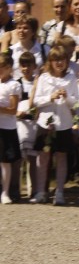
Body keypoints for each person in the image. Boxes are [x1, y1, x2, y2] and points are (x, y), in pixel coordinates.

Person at [31, 46, 79, 205]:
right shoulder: (44, 78)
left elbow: (76, 103)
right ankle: (41, 192)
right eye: (56, 60)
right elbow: (36, 101)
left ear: (67, 61)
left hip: (63, 124)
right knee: (43, 158)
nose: (59, 63)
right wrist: (50, 97)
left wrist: (67, 97)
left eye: (62, 59)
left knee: (61, 158)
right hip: (46, 124)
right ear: (50, 62)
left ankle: (59, 192)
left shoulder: (71, 78)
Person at [15, 52, 38, 199]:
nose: (26, 68)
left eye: (29, 65)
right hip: (20, 125)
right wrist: (17, 113)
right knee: (19, 160)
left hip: (34, 124)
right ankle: (16, 189)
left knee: (33, 160)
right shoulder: (17, 83)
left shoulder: (38, 82)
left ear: (34, 66)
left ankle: (33, 190)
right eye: (23, 65)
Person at [0, 52, 21, 204]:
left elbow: (13, 110)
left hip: (6, 128)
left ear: (9, 67)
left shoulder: (14, 85)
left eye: (1, 66)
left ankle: (5, 192)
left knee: (5, 161)